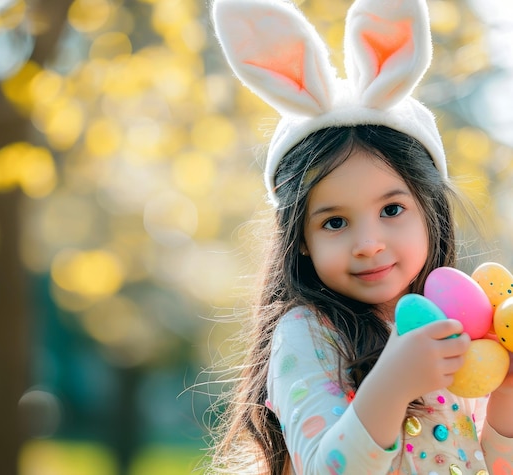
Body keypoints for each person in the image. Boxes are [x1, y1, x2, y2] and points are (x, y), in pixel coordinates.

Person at [207, 0, 513, 473]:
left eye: (392, 209)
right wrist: (392, 380)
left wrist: (506, 401)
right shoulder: (310, 334)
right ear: (301, 238)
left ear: (429, 211)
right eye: (334, 222)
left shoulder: (455, 325)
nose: (368, 243)